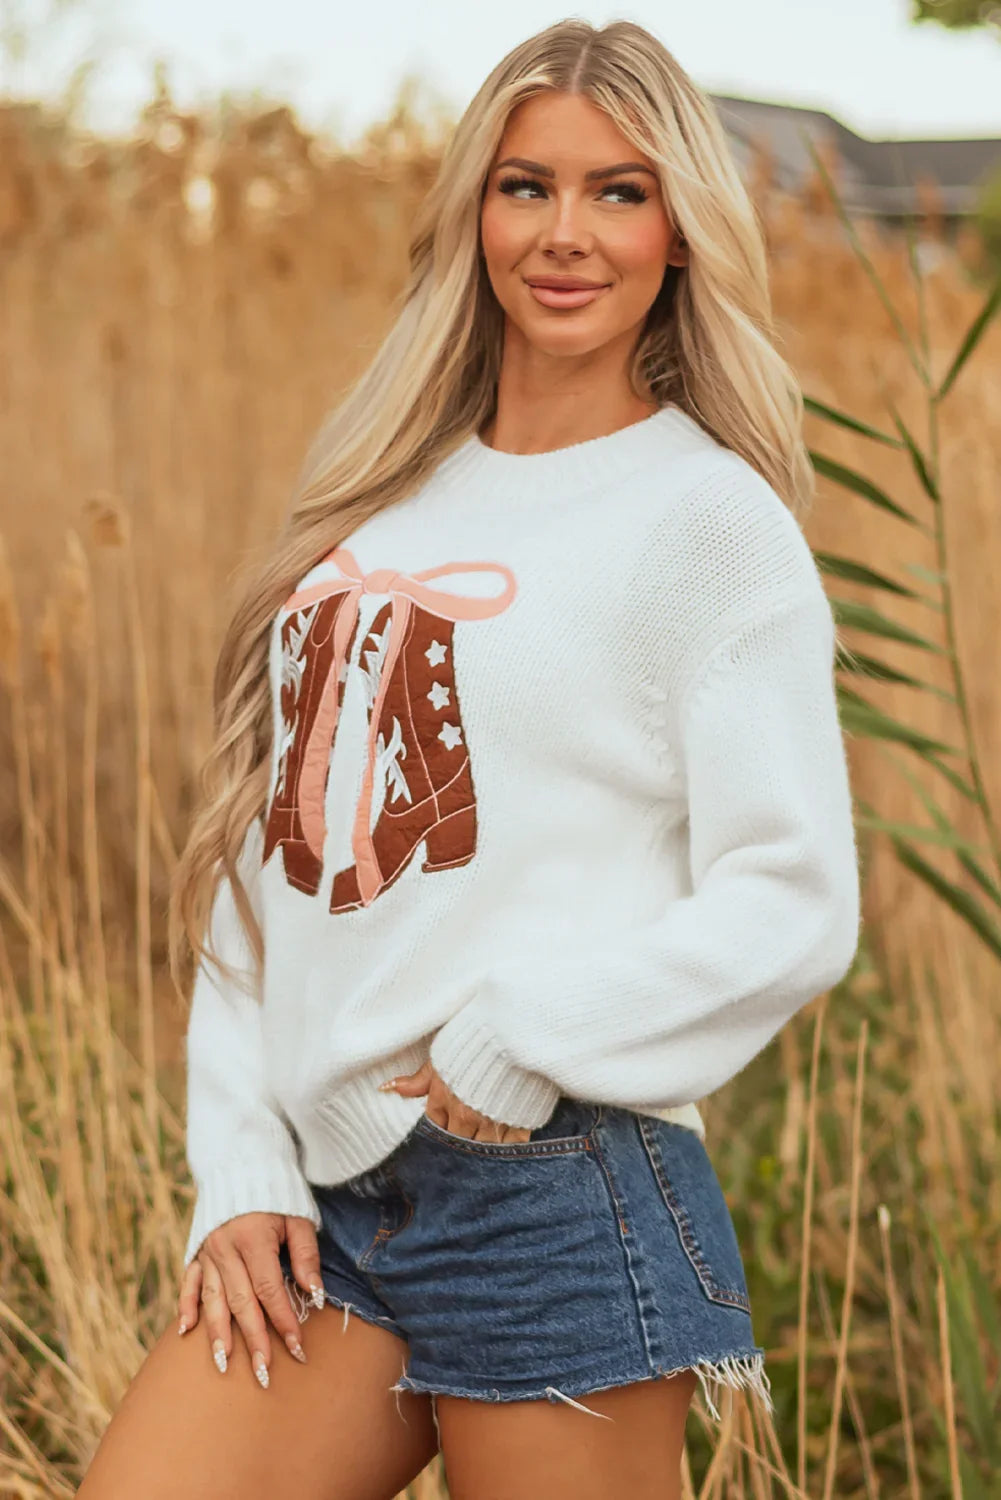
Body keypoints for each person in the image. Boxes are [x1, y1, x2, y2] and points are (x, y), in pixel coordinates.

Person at [77, 17, 860, 1500]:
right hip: (327, 1208)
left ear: (681, 230)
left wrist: (520, 1033)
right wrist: (237, 1173)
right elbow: (274, 866)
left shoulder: (706, 523)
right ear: (474, 213)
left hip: (554, 1189)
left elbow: (792, 896)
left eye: (620, 192)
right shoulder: (377, 507)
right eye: (526, 186)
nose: (567, 234)